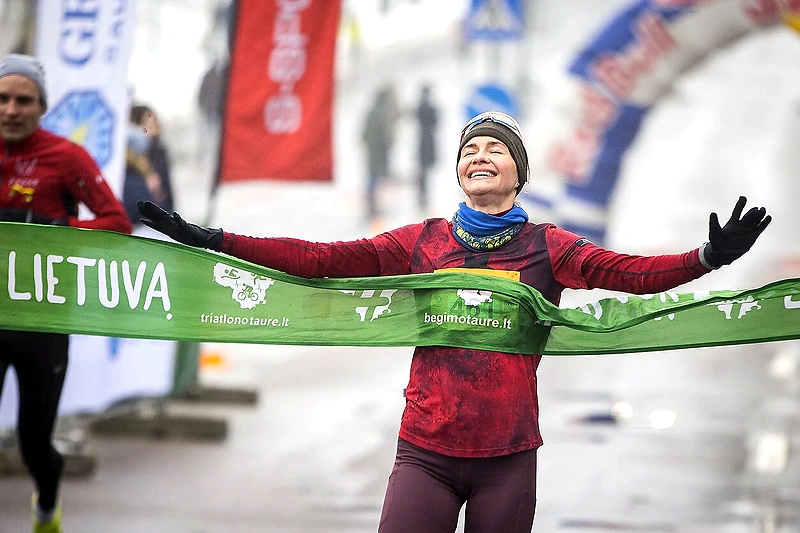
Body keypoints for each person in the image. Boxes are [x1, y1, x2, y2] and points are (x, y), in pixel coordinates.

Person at [136, 111, 771, 533]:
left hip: (508, 455)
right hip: (426, 452)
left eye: (496, 148)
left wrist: (707, 257)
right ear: (460, 173)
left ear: (518, 175)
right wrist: (210, 237)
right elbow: (320, 260)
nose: (480, 154)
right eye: (469, 150)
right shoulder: (421, 242)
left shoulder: (549, 248)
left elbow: (634, 275)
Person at [0, 53, 132, 533]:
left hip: (42, 319)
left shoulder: (65, 156)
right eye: (2, 98)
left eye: (23, 100)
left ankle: (46, 506)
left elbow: (117, 222)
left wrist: (52, 225)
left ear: (42, 107)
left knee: (34, 443)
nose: (11, 109)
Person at [362, 85, 400, 224]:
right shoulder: (379, 114)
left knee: (373, 177)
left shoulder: (373, 112)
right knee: (374, 178)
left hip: (373, 152)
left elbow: (364, 134)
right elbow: (382, 135)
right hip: (377, 153)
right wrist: (385, 146)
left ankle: (372, 206)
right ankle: (371, 206)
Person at [131, 104, 174, 213]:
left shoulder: (159, 149)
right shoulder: (133, 155)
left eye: (155, 122)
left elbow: (167, 188)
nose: (154, 127)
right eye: (147, 125)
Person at [415, 84, 439, 213]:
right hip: (426, 142)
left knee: (424, 171)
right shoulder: (427, 108)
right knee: (424, 171)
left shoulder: (421, 107)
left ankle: (424, 197)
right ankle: (423, 197)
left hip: (424, 142)